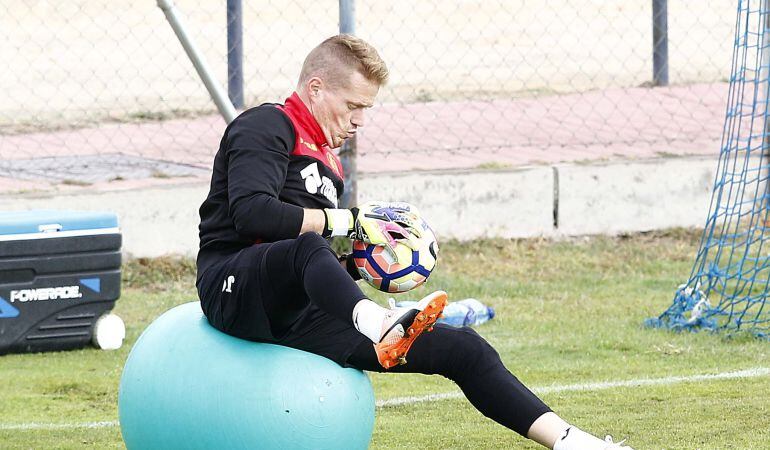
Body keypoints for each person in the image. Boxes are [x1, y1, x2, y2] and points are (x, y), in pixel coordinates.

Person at [196, 34, 634, 450]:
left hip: (296, 312)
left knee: (464, 348)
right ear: (315, 88)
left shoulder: (330, 161)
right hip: (231, 288)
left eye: (366, 108)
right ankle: (382, 325)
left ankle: (573, 441)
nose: (359, 121)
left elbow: (309, 259)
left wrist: (364, 264)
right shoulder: (267, 125)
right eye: (352, 106)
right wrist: (349, 221)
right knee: (309, 247)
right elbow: (253, 213)